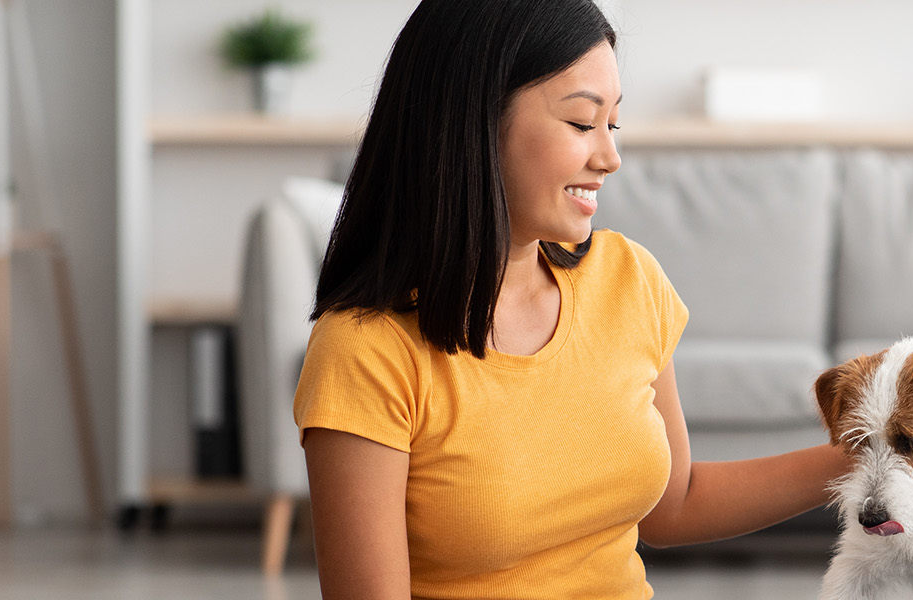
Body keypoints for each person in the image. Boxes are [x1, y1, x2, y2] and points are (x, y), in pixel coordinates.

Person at [294, 1, 850, 598]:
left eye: (613, 125)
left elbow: (676, 505)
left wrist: (884, 459)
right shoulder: (366, 350)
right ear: (473, 120)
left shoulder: (627, 279)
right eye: (584, 124)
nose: (610, 158)